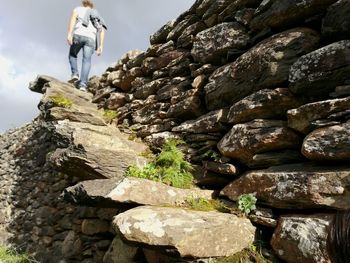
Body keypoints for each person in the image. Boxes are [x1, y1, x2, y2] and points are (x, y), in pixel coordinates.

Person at [67, 0, 107, 91]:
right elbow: (102, 30)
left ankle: (75, 74)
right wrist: (101, 45)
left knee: (72, 55)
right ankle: (83, 85)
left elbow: (72, 21)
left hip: (79, 35)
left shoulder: (77, 9)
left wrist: (69, 34)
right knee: (87, 61)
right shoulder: (96, 14)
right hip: (91, 39)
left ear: (83, 3)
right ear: (92, 5)